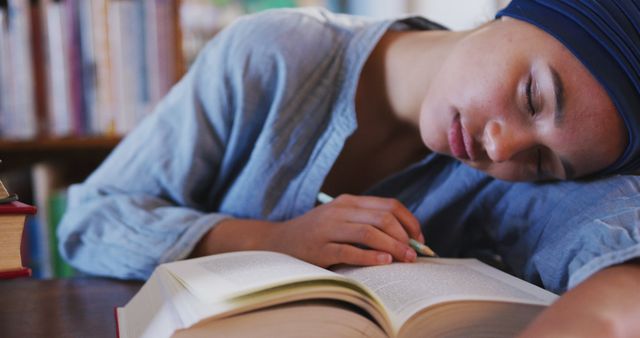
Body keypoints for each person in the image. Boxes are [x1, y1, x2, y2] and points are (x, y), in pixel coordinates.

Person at [58, 0, 640, 336]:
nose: (502, 146)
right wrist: (272, 241)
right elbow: (88, 219)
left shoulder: (513, 182)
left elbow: (619, 262)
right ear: (511, 11)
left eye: (542, 161)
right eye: (533, 95)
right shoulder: (277, 55)